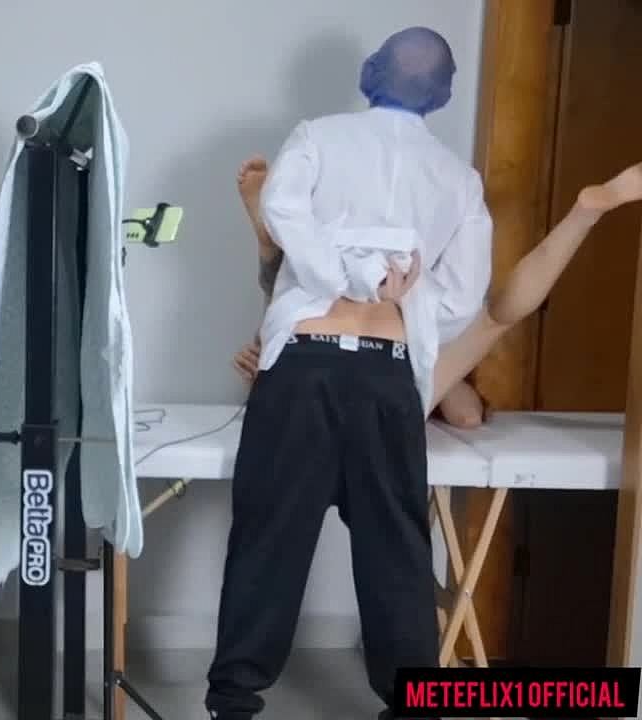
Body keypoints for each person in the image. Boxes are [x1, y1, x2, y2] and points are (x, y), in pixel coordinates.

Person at [204, 25, 642, 720]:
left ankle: (233, 703)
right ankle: (413, 705)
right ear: (442, 95)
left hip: (306, 366)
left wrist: (337, 275)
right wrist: (399, 299)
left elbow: (283, 210)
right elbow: (466, 295)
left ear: (372, 71)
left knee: (268, 538)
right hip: (385, 375)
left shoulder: (317, 137)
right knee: (398, 552)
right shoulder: (457, 180)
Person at [232, 155, 489, 428]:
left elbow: (468, 415)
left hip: (383, 377)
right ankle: (272, 249)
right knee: (308, 292)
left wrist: (428, 354)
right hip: (329, 366)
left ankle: (272, 248)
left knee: (308, 291)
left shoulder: (440, 332)